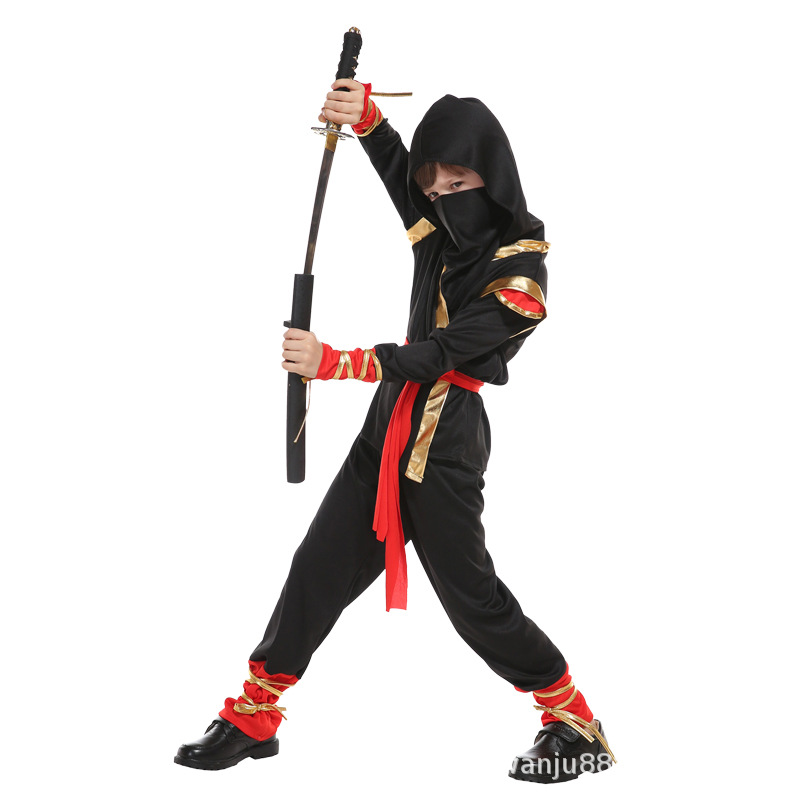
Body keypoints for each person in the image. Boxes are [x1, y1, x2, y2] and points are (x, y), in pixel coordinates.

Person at [174, 80, 615, 784]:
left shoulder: (521, 276)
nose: (440, 197)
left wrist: (335, 362)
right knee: (316, 569)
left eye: (457, 182)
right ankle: (255, 714)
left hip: (444, 447)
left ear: (492, 176)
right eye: (432, 187)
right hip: (385, 430)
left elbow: (442, 353)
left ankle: (576, 725)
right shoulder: (439, 236)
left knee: (473, 602)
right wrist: (367, 120)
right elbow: (398, 177)